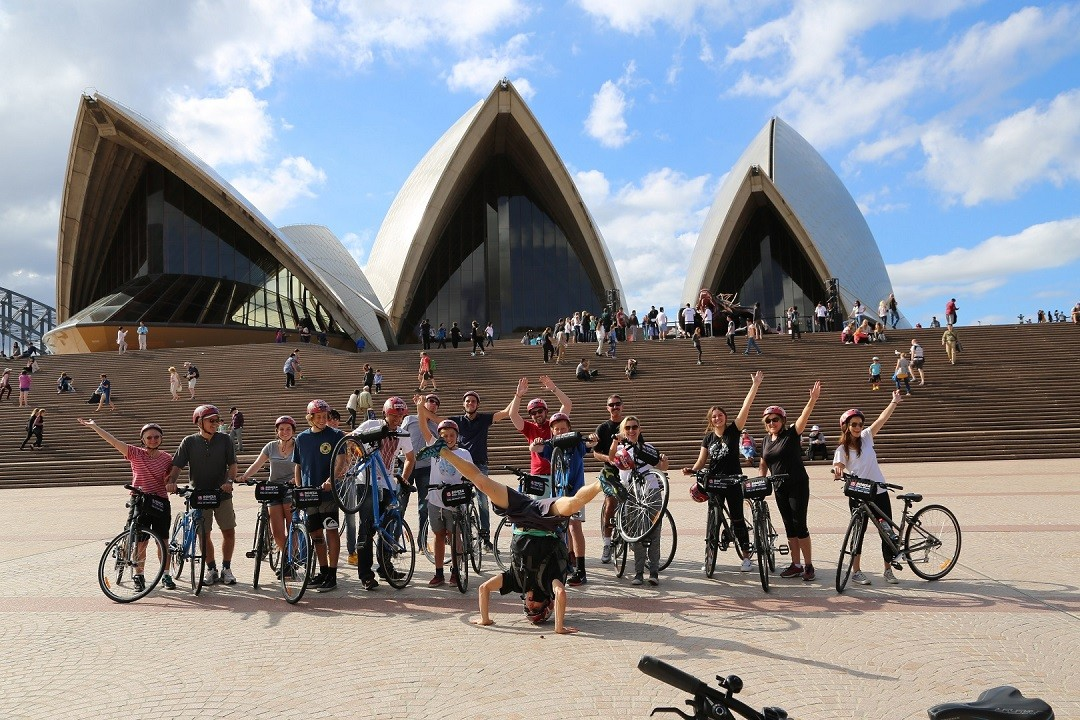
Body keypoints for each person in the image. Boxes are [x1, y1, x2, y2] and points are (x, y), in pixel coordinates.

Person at [416, 438, 610, 634]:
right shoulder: (549, 585)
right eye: (536, 607)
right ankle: (602, 482)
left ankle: (443, 451)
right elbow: (561, 592)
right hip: (546, 521)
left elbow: (483, 589)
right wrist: (559, 628)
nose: (531, 603)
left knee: (482, 483)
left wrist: (485, 619)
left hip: (520, 516)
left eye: (528, 606)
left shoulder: (516, 582)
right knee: (572, 504)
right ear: (547, 604)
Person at [681, 371, 764, 573]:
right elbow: (702, 461)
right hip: (715, 482)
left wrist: (755, 386)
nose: (717, 418)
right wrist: (692, 469)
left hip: (733, 481)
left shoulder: (733, 431)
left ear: (725, 417)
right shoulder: (708, 439)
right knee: (713, 521)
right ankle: (709, 558)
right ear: (711, 420)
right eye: (714, 416)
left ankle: (746, 557)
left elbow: (746, 408)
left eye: (720, 415)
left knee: (736, 518)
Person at [79, 418, 176, 589]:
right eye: (149, 437)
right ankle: (139, 575)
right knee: (141, 541)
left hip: (160, 501)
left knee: (163, 540)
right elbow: (114, 441)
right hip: (140, 499)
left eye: (156, 437)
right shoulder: (135, 453)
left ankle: (166, 575)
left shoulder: (167, 458)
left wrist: (171, 483)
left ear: (161, 438)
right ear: (142, 440)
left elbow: (169, 478)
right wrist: (95, 427)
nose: (153, 440)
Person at [424, 385, 522, 550]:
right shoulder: (456, 421)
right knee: (461, 501)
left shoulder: (484, 419)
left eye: (473, 401)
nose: (470, 403)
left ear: (477, 404)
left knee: (483, 502)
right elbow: (435, 419)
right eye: (468, 401)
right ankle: (464, 535)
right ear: (463, 404)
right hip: (460, 465)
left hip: (479, 465)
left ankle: (485, 538)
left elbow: (505, 413)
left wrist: (518, 395)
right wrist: (421, 406)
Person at [833, 392, 905, 585]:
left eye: (860, 424)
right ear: (846, 427)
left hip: (879, 492)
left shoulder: (866, 438)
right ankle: (856, 571)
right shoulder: (841, 450)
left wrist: (893, 402)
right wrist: (838, 469)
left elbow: (882, 419)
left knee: (886, 530)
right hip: (858, 495)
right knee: (859, 532)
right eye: (853, 424)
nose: (857, 427)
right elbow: (838, 465)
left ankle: (888, 570)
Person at [166, 405, 239, 586]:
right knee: (203, 535)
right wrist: (172, 481)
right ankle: (211, 568)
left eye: (217, 420)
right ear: (199, 422)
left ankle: (226, 568)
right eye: (211, 420)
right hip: (198, 494)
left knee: (228, 531)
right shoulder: (189, 441)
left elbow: (232, 465)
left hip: (221, 494)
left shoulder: (225, 440)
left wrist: (229, 482)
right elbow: (177, 466)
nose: (215, 423)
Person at [760, 380, 822, 581]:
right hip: (779, 486)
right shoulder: (766, 440)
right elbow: (763, 462)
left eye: (775, 419)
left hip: (797, 484)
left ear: (783, 420)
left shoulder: (791, 434)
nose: (772, 423)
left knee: (800, 524)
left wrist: (811, 400)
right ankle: (796, 564)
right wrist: (762, 480)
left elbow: (804, 418)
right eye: (768, 420)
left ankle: (809, 565)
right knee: (788, 525)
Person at [351, 397, 415, 589]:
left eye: (400, 416)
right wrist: (360, 454)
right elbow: (350, 440)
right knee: (367, 526)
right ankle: (366, 574)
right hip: (367, 481)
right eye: (393, 415)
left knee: (387, 526)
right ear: (385, 414)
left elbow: (411, 458)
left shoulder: (403, 434)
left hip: (387, 483)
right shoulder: (371, 425)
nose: (396, 419)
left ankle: (385, 568)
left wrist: (402, 478)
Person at [530, 413, 600, 585]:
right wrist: (536, 443)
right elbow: (535, 449)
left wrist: (592, 439)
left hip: (576, 493)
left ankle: (581, 570)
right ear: (552, 432)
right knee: (561, 528)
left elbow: (591, 444)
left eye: (563, 428)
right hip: (560, 495)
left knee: (574, 527)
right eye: (556, 429)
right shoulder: (552, 446)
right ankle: (566, 561)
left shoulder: (577, 445)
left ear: (569, 428)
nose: (560, 432)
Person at [291, 399, 346, 592]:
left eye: (325, 416)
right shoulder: (301, 439)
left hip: (328, 494)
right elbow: (298, 465)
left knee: (331, 529)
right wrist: (298, 488)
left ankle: (332, 572)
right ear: (310, 418)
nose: (323, 420)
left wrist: (332, 479)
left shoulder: (336, 435)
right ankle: (323, 570)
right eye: (319, 417)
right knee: (315, 533)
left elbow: (342, 461)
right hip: (309, 494)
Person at [610, 415, 670, 585]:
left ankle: (654, 573)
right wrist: (615, 441)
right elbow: (610, 457)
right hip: (632, 494)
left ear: (639, 429)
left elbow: (662, 467)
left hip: (651, 491)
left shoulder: (648, 448)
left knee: (655, 533)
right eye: (627, 428)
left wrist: (664, 461)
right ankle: (638, 573)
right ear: (623, 431)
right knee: (637, 533)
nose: (631, 430)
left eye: (634, 427)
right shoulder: (621, 450)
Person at [416, 415, 472, 587]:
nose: (448, 439)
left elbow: (471, 472)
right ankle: (438, 572)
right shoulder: (435, 450)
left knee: (455, 536)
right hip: (435, 499)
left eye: (451, 435)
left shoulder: (463, 453)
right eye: (444, 435)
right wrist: (420, 406)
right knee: (438, 535)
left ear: (457, 436)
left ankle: (456, 571)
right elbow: (424, 430)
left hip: (454, 499)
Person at [238, 415, 297, 568]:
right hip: (273, 489)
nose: (285, 432)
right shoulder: (270, 446)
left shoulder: (299, 446)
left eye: (288, 429)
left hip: (290, 488)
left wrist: (296, 480)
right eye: (281, 429)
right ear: (277, 431)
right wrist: (245, 476)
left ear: (293, 431)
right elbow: (258, 463)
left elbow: (304, 467)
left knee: (292, 527)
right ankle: (287, 556)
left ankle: (289, 560)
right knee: (276, 531)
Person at [510, 376, 573, 480]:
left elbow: (567, 405)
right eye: (533, 413)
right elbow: (513, 414)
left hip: (558, 472)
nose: (537, 414)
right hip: (537, 474)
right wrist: (518, 395)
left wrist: (554, 389)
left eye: (540, 411)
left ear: (546, 412)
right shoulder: (528, 428)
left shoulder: (555, 424)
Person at [594, 393, 630, 563]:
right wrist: (609, 459)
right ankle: (607, 544)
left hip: (628, 471)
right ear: (607, 408)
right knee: (610, 504)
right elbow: (595, 453)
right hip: (610, 472)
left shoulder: (629, 426)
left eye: (617, 404)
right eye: (611, 405)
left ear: (622, 406)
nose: (615, 407)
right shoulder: (603, 428)